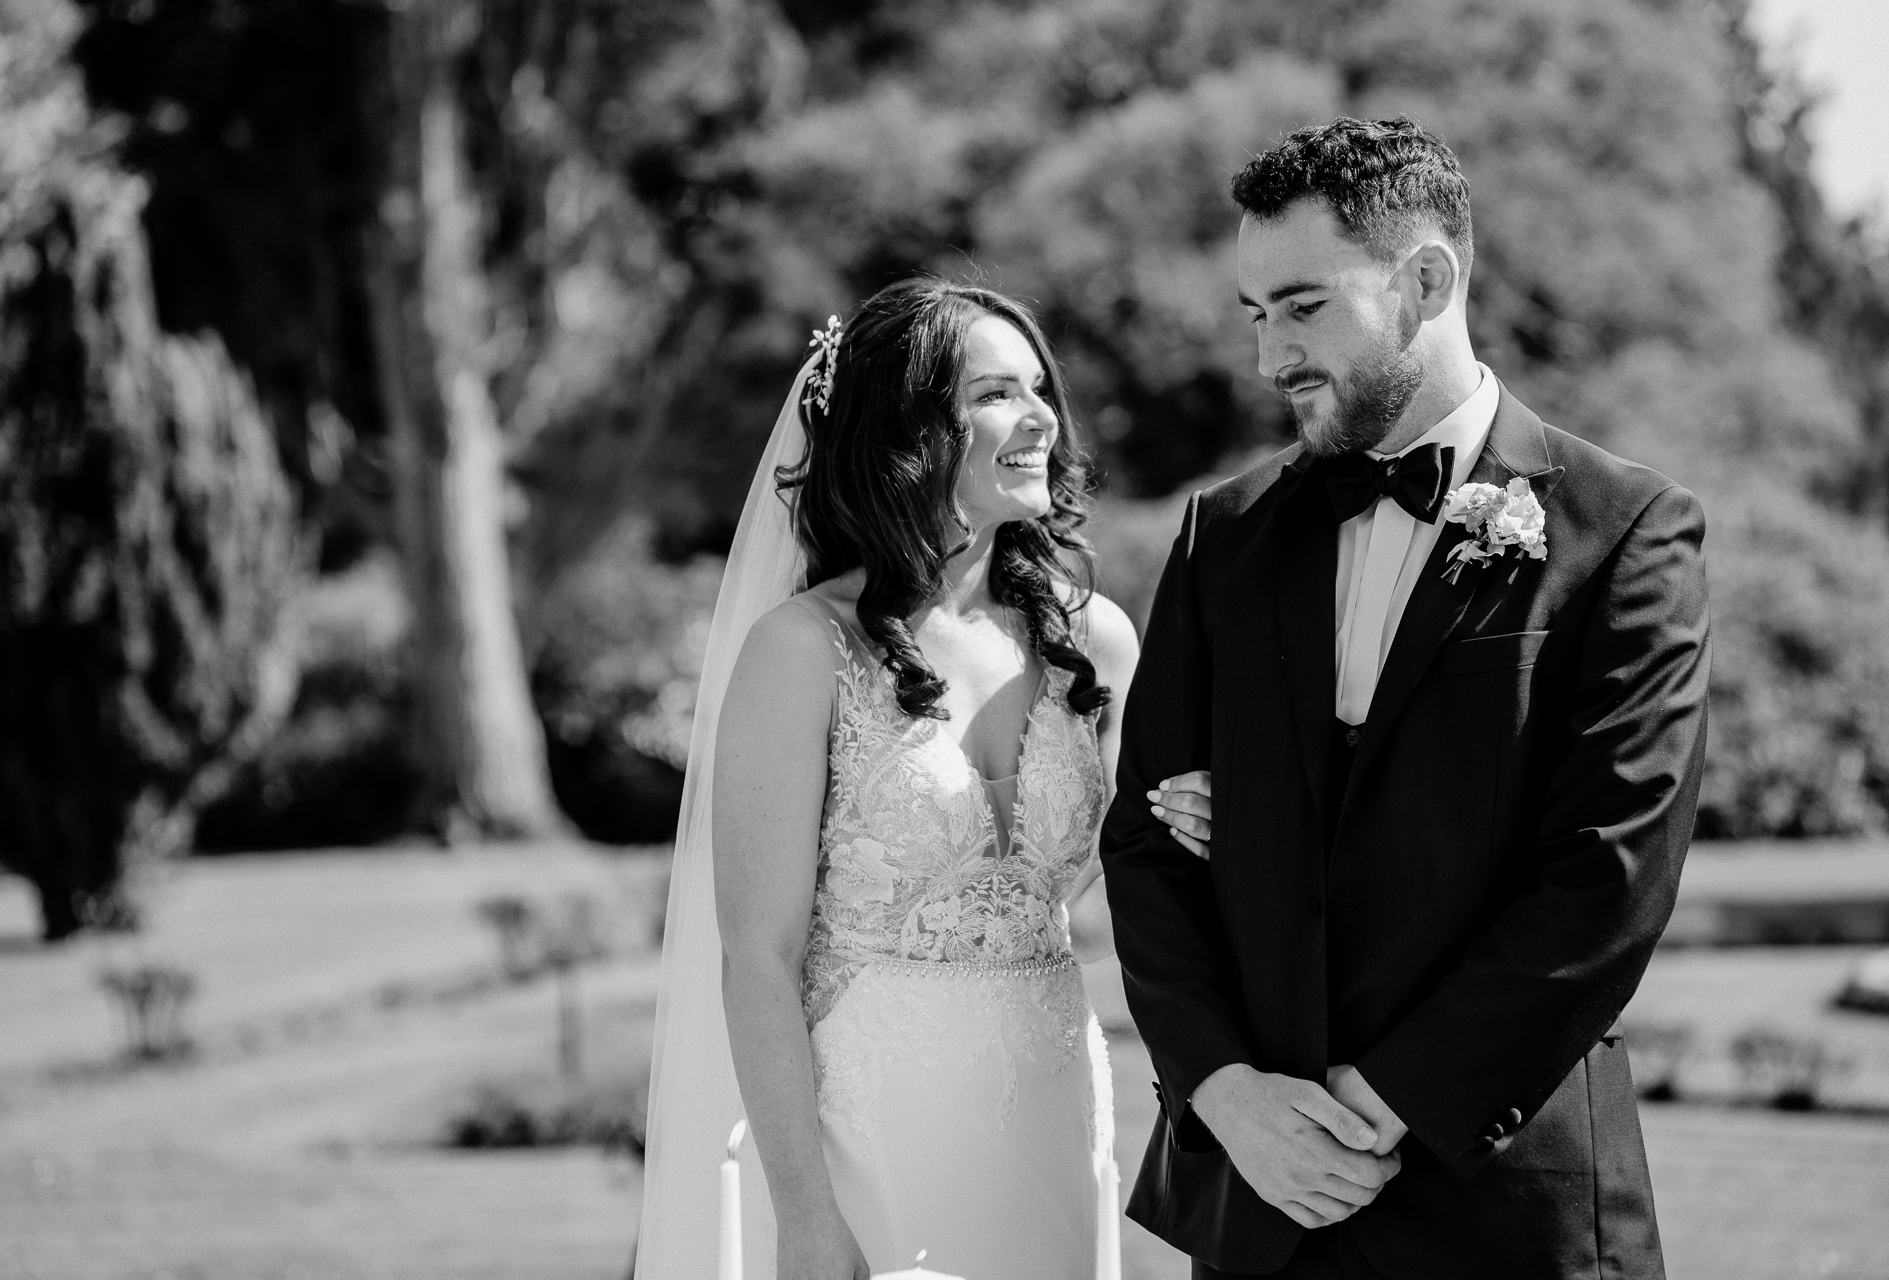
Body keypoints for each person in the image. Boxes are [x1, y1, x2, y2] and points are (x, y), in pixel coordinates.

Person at [1105, 117, 1711, 1279]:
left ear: (1426, 280)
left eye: (1302, 306)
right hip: (1259, 1209)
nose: (1269, 355)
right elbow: (1144, 841)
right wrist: (1228, 1094)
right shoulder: (1219, 537)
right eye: (1255, 315)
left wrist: (1386, 1098)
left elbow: (1610, 874)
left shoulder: (1627, 532)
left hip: (1506, 1210)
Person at [639, 277, 1188, 1279]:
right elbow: (758, 955)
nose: (1040, 421)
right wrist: (804, 1213)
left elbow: (1160, 863)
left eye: (1038, 388)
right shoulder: (804, 650)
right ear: (906, 431)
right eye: (993, 395)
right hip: (870, 1131)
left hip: (1057, 1111)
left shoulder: (1096, 641)